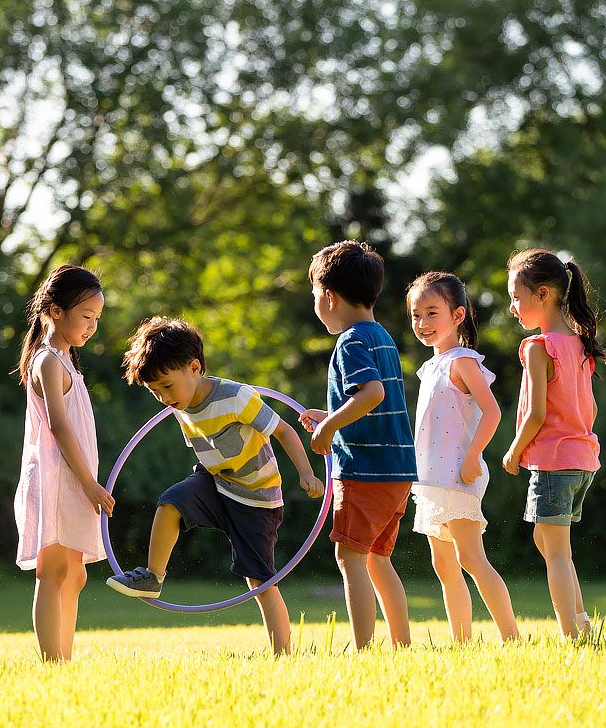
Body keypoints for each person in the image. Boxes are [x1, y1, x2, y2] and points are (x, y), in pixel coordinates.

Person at [106, 317, 323, 654]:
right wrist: (171, 394)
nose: (163, 398)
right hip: (215, 480)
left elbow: (283, 430)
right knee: (170, 503)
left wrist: (306, 473)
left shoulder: (236, 397)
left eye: (166, 386)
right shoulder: (179, 403)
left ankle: (283, 653)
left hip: (256, 495)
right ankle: (153, 576)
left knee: (259, 580)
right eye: (155, 391)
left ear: (194, 368)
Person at [300, 241, 416, 650]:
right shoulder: (380, 335)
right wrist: (328, 413)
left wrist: (329, 427)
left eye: (314, 294)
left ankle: (364, 650)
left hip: (366, 471)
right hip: (397, 471)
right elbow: (366, 401)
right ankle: (402, 645)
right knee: (377, 559)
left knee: (349, 558)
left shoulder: (349, 341)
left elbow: (371, 395)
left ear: (328, 297)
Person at [407, 272, 520, 644]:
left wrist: (474, 456)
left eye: (432, 313)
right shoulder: (429, 367)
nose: (423, 323)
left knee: (471, 559)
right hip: (431, 479)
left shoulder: (463, 361)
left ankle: (512, 637)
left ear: (458, 315)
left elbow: (493, 412)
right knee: (444, 565)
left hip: (457, 474)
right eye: (416, 315)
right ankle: (462, 641)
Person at [503, 249, 606, 637]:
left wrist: (514, 451)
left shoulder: (537, 347)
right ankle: (579, 618)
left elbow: (535, 414)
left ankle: (572, 631)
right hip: (583, 461)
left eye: (516, 297)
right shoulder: (580, 344)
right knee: (547, 541)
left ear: (543, 294)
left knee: (557, 553)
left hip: (553, 463)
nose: (512, 306)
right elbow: (592, 409)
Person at [14, 264, 114, 662]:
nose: (92, 326)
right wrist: (90, 484)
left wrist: (87, 481)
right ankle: (53, 662)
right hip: (58, 479)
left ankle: (64, 658)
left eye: (96, 319)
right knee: (53, 570)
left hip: (75, 478)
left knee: (76, 573)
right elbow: (58, 426)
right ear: (55, 311)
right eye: (86, 316)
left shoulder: (67, 361)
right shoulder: (48, 361)